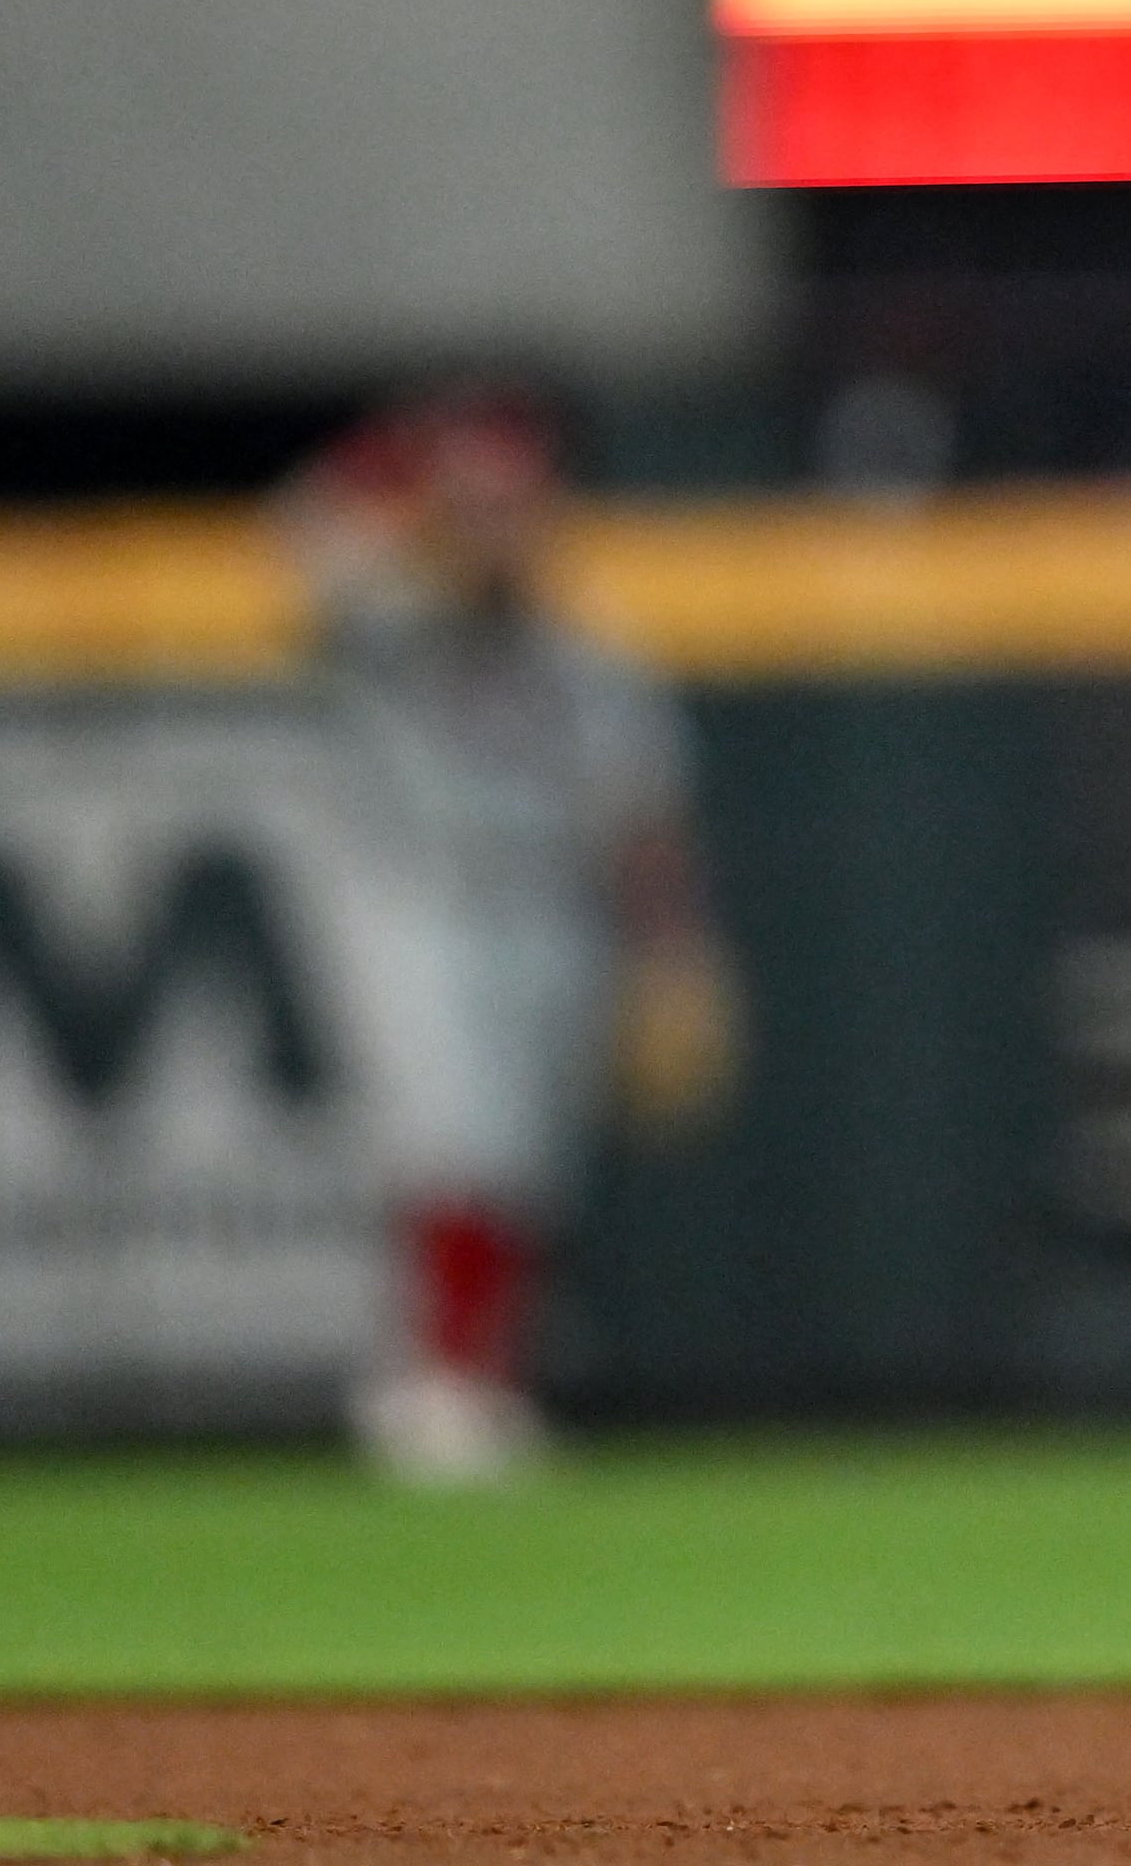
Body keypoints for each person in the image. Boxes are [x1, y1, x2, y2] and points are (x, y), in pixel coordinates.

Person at [281, 392, 739, 1483]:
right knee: (451, 1137)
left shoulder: (591, 650)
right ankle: (434, 1376)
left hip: (552, 909)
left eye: (515, 504)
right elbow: (296, 531)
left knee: (526, 1162)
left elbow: (645, 816)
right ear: (440, 510)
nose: (496, 527)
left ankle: (473, 1379)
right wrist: (413, 442)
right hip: (417, 902)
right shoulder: (385, 619)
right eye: (476, 504)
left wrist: (675, 954)